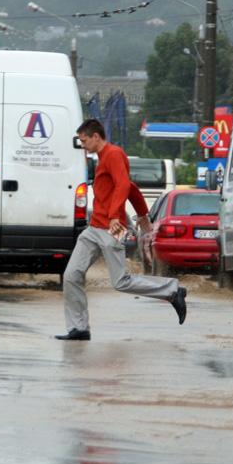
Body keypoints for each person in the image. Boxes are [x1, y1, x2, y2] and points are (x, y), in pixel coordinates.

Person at [57, 118, 188, 341]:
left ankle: (172, 291)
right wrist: (143, 213)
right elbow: (131, 186)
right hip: (94, 228)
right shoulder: (102, 158)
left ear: (95, 137)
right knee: (71, 275)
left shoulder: (114, 154)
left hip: (112, 228)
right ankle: (79, 328)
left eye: (84, 140)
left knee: (120, 281)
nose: (83, 145)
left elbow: (123, 185)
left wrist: (114, 216)